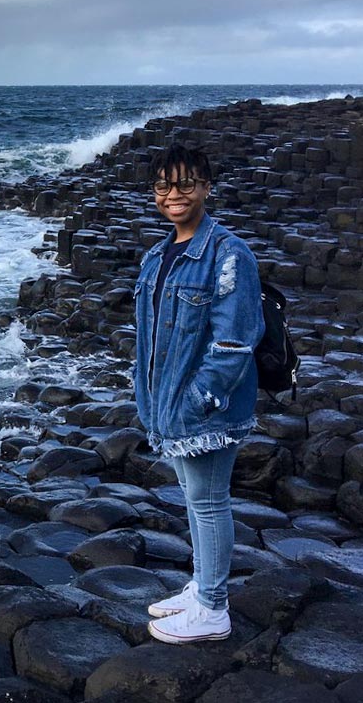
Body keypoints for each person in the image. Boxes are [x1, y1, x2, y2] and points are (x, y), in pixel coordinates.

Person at [132, 143, 264, 644]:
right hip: (166, 403)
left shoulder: (228, 255)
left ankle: (212, 609)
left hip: (207, 410)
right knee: (194, 498)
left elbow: (234, 343)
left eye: (186, 183)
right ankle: (202, 585)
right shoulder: (157, 255)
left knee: (209, 502)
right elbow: (148, 338)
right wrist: (148, 396)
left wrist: (194, 403)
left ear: (206, 187)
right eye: (164, 186)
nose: (174, 195)